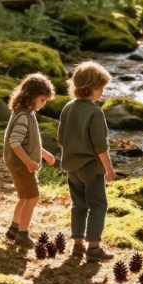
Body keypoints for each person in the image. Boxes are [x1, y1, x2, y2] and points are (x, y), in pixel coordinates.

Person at [57, 60, 116, 261]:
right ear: (92, 88)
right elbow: (100, 146)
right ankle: (94, 247)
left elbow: (61, 138)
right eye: (101, 88)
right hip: (91, 168)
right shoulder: (95, 112)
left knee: (79, 204)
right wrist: (109, 169)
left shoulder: (67, 108)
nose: (102, 92)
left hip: (71, 167)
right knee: (98, 205)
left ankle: (77, 244)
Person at [3, 73, 56, 248]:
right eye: (42, 99)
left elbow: (28, 142)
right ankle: (23, 234)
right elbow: (15, 142)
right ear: (31, 96)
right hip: (21, 165)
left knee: (24, 197)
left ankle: (14, 228)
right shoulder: (23, 117)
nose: (44, 104)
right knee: (33, 197)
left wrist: (43, 153)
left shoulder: (26, 114)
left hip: (20, 164)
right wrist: (27, 162)